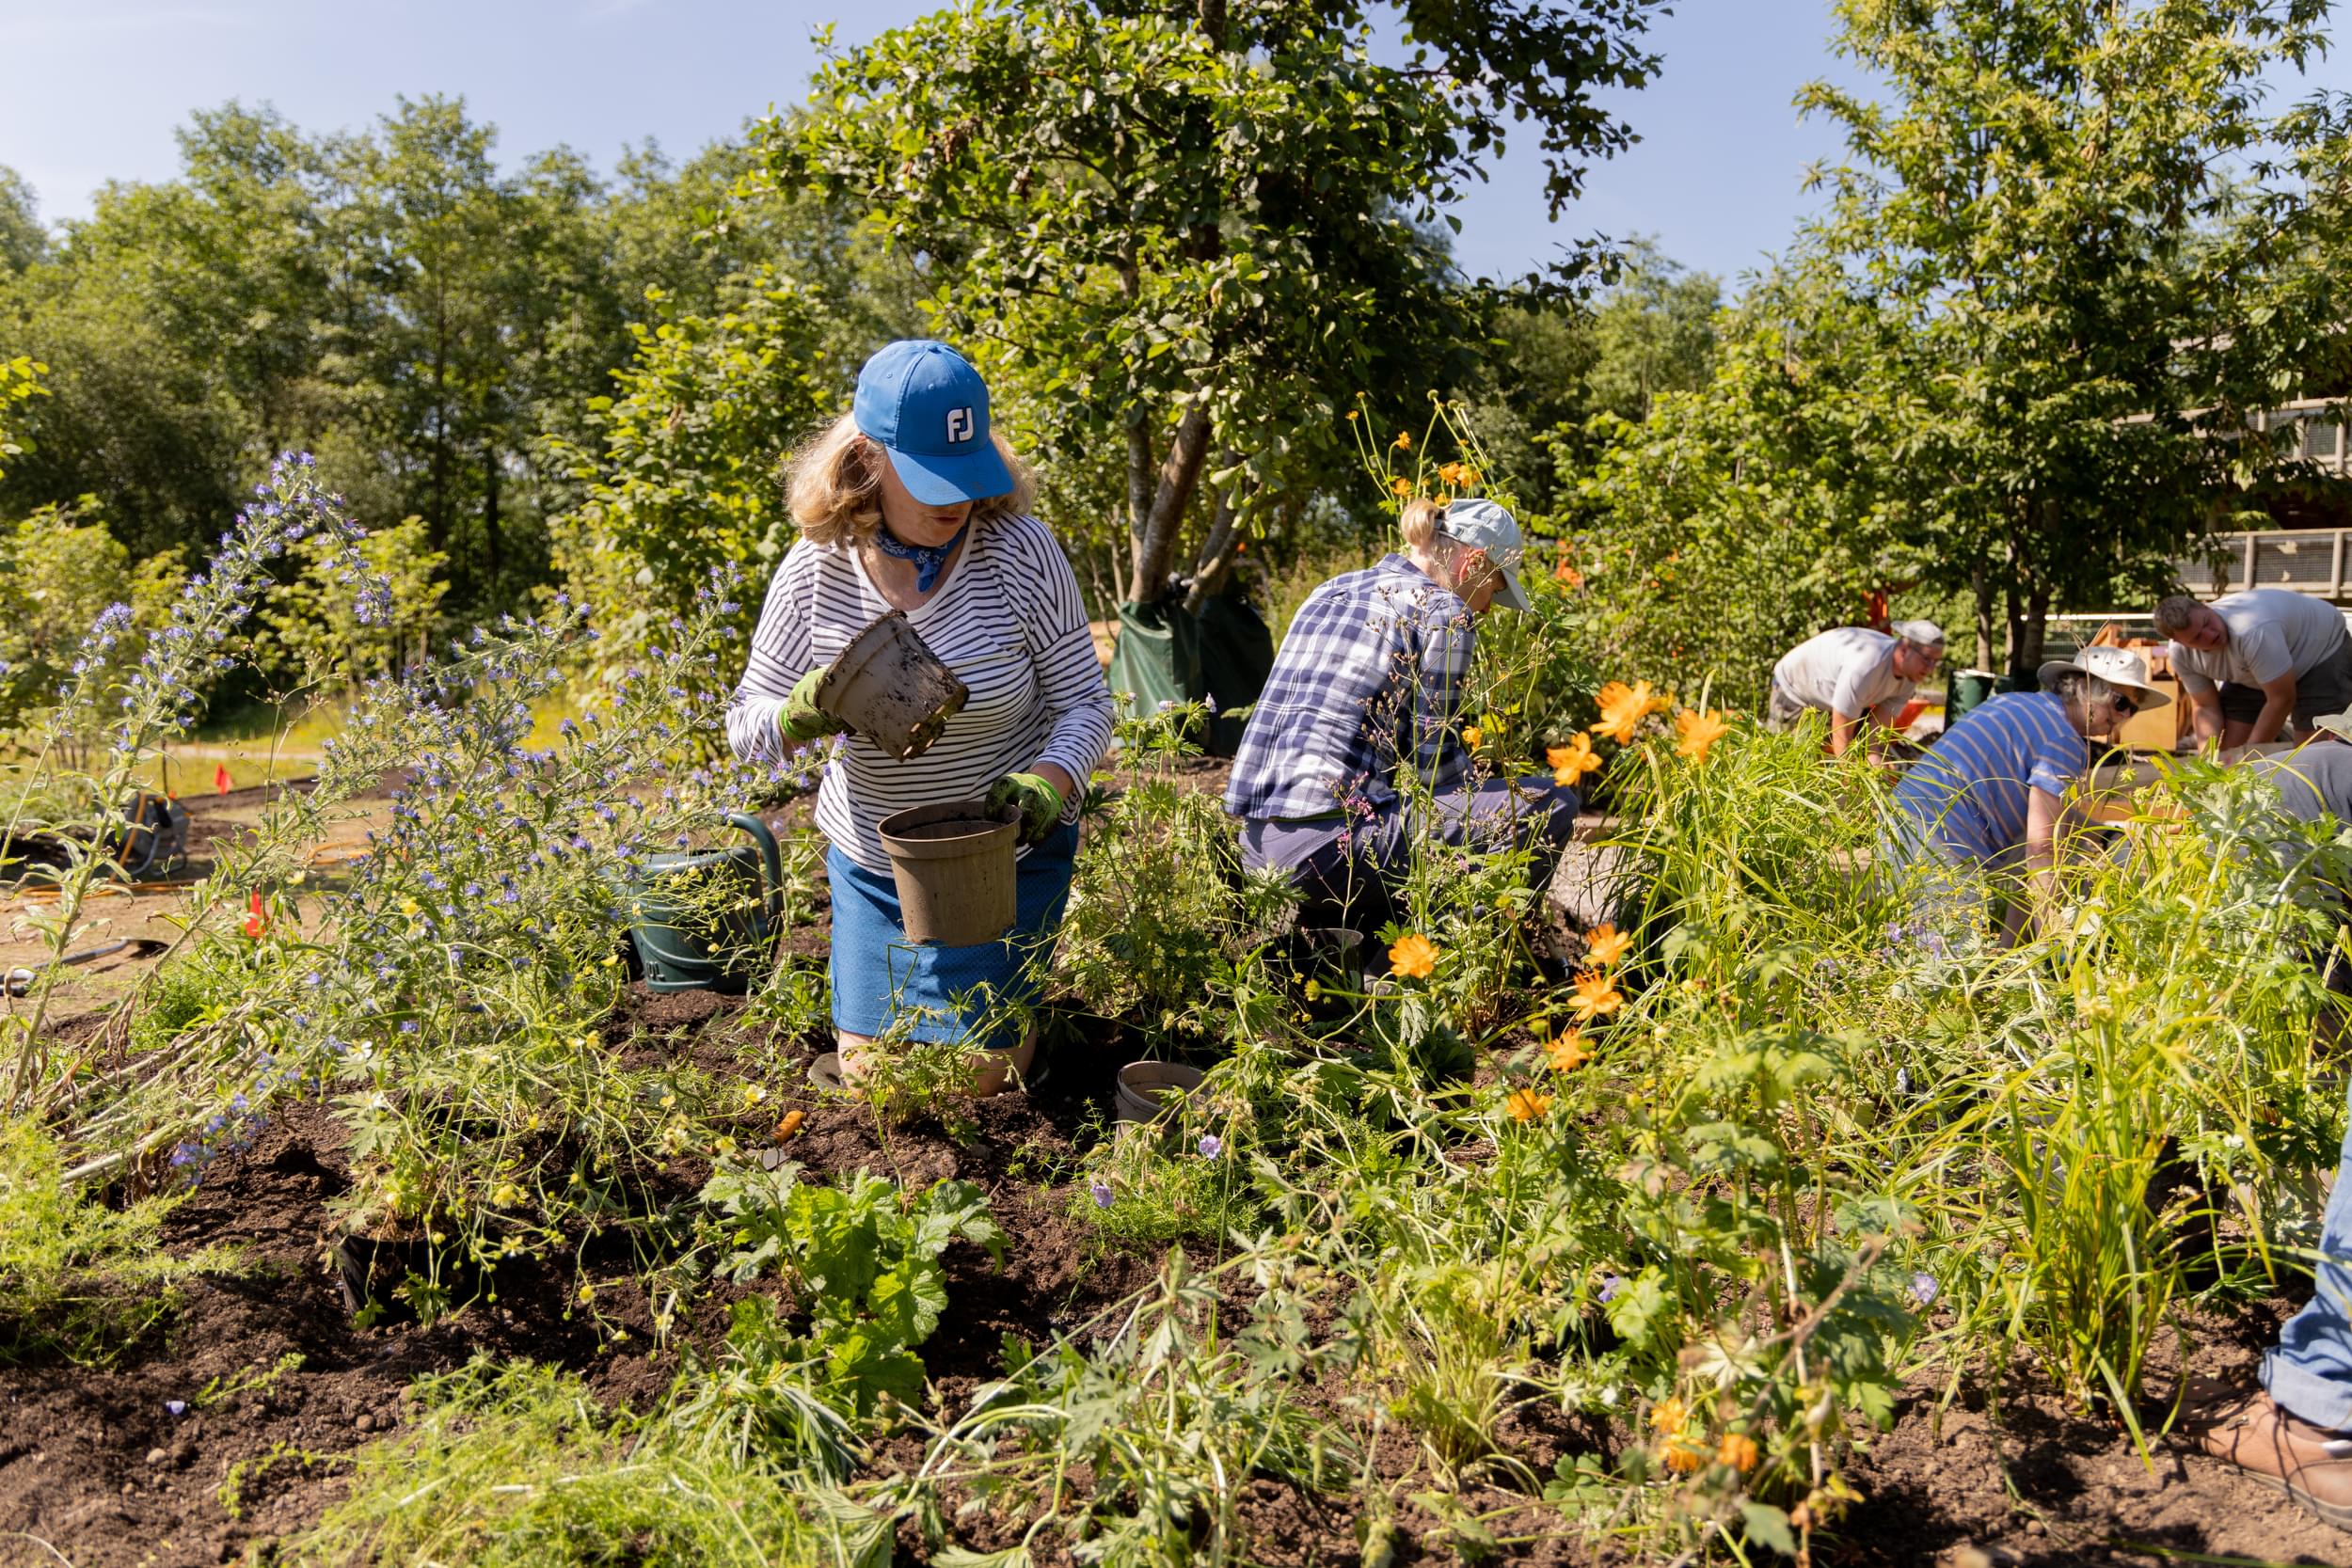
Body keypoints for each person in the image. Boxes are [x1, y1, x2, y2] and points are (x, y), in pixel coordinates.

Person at [725, 340, 1114, 1094]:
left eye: (967, 476)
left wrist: (1049, 782)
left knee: (977, 1079)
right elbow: (746, 726)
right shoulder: (815, 568)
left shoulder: (1021, 554)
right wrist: (805, 710)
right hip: (878, 866)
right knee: (874, 1077)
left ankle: (1021, 1036)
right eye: (931, 477)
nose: (957, 500)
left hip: (1003, 859)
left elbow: (1084, 702)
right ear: (868, 459)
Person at [1223, 496, 1579, 931]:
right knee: (1553, 803)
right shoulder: (1446, 614)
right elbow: (1437, 772)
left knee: (1393, 814)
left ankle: (1368, 954)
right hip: (1328, 855)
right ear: (1474, 563)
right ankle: (1440, 956)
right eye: (1497, 588)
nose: (1487, 607)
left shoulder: (1329, 589)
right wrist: (1500, 786)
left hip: (1256, 848)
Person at [1884, 645, 2168, 943]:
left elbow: (2046, 831)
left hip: (1902, 822)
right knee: (1948, 973)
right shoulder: (2064, 739)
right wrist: (2052, 941)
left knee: (2070, 832)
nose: (2124, 716)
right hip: (1937, 841)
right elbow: (2042, 849)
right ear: (2084, 688)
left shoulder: (2015, 702)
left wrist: (2101, 837)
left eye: (2132, 709)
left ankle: (2010, 954)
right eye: (2120, 702)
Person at [2155, 589, 2352, 749]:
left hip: (2321, 648)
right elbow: (2205, 706)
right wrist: (2208, 761)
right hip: (2256, 667)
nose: (2210, 635)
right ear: (2180, 642)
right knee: (2227, 751)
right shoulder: (2180, 654)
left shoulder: (2252, 631)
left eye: (2208, 623)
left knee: (2307, 753)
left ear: (2207, 608)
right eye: (2197, 637)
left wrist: (2250, 756)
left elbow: (2282, 699)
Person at [1768, 620, 1946, 758]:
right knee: (1785, 759)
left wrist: (1874, 764)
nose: (1931, 669)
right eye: (1926, 659)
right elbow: (1841, 729)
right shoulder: (1866, 666)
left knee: (1826, 762)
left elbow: (1874, 736)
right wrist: (1847, 775)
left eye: (1936, 662)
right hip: (1795, 688)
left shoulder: (1909, 679)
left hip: (1829, 701)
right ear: (1905, 650)